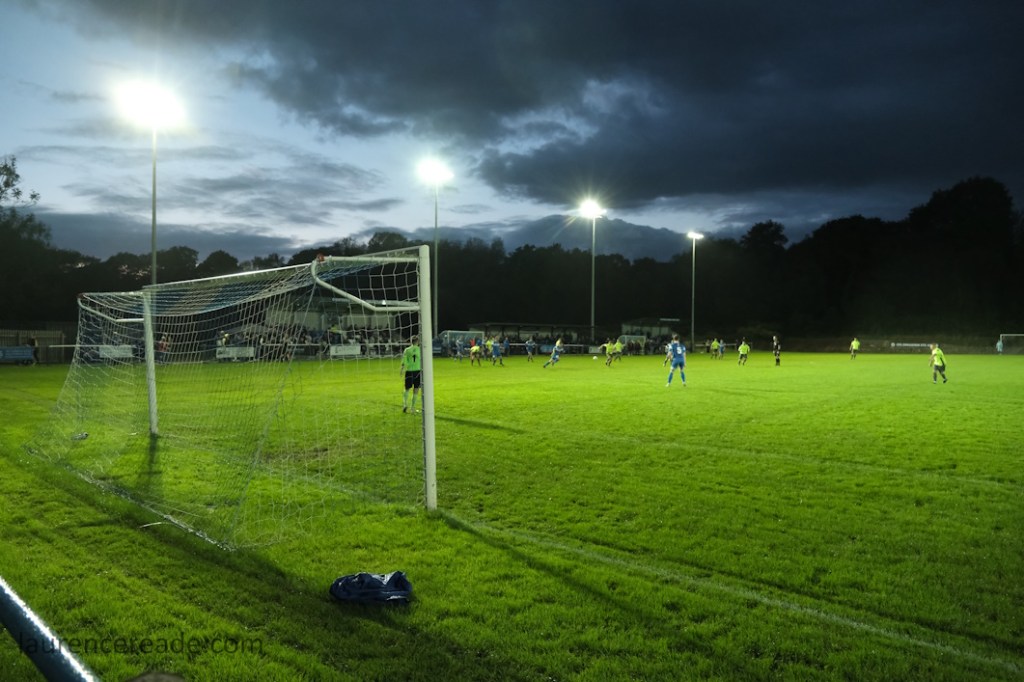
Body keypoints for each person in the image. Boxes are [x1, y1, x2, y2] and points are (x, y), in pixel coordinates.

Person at [400, 335, 422, 413]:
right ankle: (412, 408)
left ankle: (405, 404)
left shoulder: (407, 350)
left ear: (411, 341)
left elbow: (404, 361)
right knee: (416, 390)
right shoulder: (420, 350)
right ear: (417, 341)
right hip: (418, 371)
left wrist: (401, 370)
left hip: (409, 371)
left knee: (407, 389)